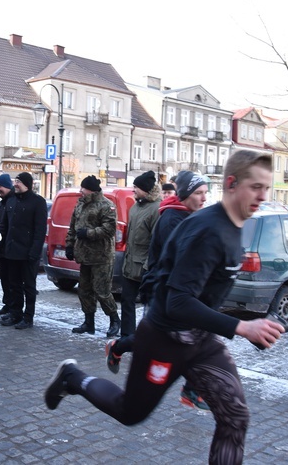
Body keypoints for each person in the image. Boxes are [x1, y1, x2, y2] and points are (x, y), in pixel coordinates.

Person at [45, 150, 284, 465]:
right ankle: (72, 378)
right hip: (164, 338)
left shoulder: (234, 225)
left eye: (266, 188)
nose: (262, 196)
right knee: (128, 412)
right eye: (256, 187)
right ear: (231, 183)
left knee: (235, 417)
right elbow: (179, 301)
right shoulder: (207, 230)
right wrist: (241, 327)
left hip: (200, 341)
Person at [110, 170, 209, 410]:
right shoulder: (171, 219)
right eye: (199, 193)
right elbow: (176, 260)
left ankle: (191, 388)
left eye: (206, 193)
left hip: (178, 293)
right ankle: (123, 353)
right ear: (185, 194)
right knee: (164, 341)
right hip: (163, 292)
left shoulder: (187, 216)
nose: (204, 199)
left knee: (186, 340)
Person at [65, 175, 121, 337]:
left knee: (102, 291)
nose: (81, 191)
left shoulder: (106, 205)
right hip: (84, 256)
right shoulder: (80, 205)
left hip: (101, 256)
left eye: (83, 188)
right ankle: (89, 322)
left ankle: (114, 320)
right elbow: (72, 227)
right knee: (84, 290)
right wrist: (69, 245)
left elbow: (109, 229)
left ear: (91, 189)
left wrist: (88, 233)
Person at [0, 172, 47, 329]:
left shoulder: (38, 202)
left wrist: (34, 253)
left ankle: (28, 317)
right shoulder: (11, 201)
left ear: (27, 184)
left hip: (28, 253)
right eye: (15, 181)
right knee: (14, 285)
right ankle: (15, 313)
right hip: (11, 252)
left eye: (18, 181)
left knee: (29, 287)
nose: (15, 184)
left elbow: (40, 231)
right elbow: (4, 226)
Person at [118, 171, 161, 338]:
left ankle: (147, 338)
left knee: (148, 305)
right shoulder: (135, 207)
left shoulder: (156, 209)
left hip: (145, 267)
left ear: (146, 189)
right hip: (130, 264)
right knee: (126, 301)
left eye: (136, 187)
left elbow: (156, 242)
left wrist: (147, 266)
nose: (133, 190)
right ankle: (127, 336)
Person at [0, 174, 14, 316]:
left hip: (9, 246)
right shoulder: (3, 202)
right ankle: (7, 304)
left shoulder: (12, 201)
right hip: (1, 245)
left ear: (6, 185)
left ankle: (12, 307)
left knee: (11, 279)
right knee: (4, 278)